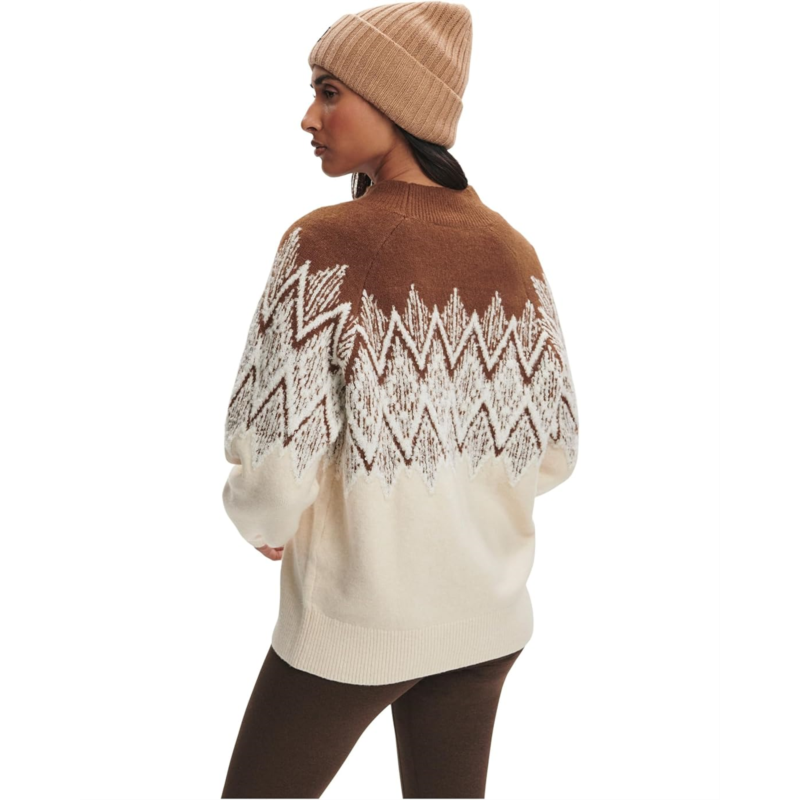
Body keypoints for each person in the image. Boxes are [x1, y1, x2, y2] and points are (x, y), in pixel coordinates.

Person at [220, 2, 579, 797]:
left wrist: (264, 519)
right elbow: (556, 450)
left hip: (359, 622)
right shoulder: (515, 252)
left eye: (329, 92)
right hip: (486, 622)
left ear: (397, 104)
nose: (308, 117)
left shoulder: (326, 245)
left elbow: (277, 461)